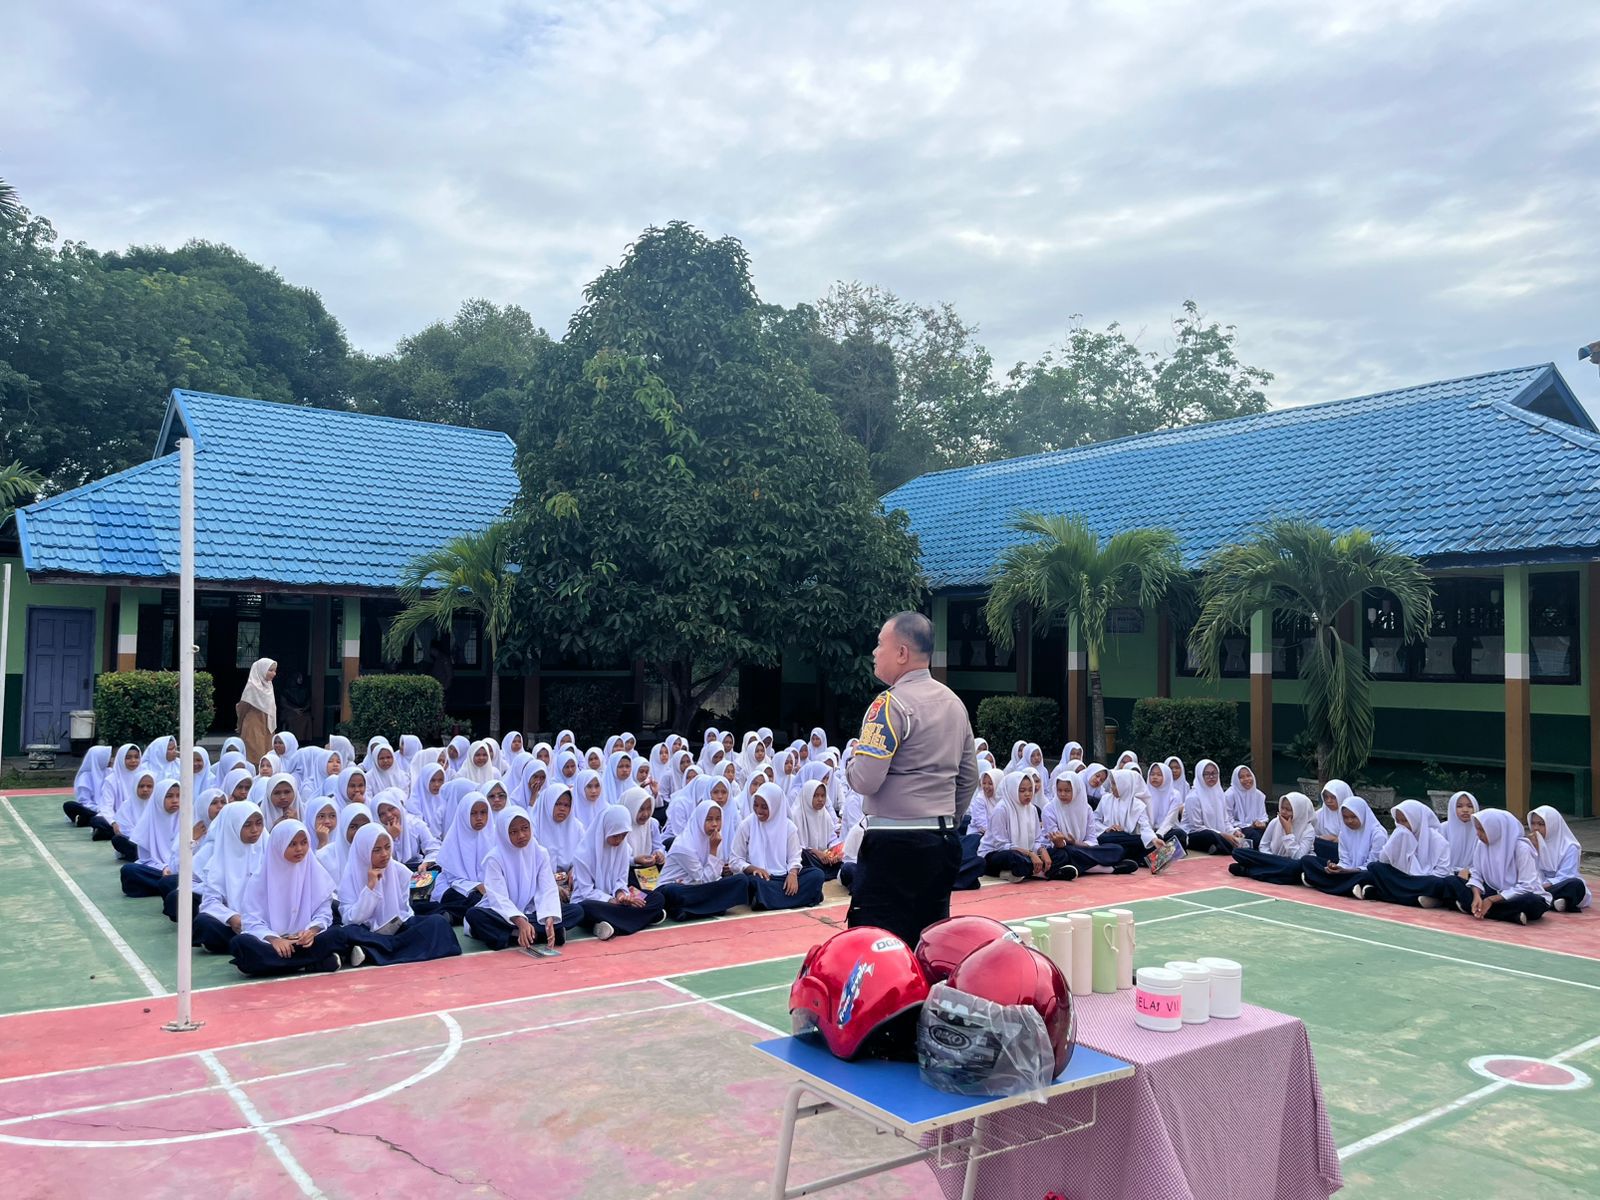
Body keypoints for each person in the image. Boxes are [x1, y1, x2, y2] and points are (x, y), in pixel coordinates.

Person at [844, 612, 976, 946]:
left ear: (902, 653)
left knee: (878, 945)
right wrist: (944, 818)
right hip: (940, 840)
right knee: (928, 941)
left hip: (894, 844)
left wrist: (852, 760)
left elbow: (865, 780)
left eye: (880, 644)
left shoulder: (889, 704)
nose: (874, 652)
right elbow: (969, 777)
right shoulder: (954, 703)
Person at [228, 820, 354, 975]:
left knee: (339, 934)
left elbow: (323, 913)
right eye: (292, 844)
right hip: (272, 944)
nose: (299, 849)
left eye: (304, 843)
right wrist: (275, 940)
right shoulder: (259, 880)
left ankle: (282, 965)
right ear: (279, 845)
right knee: (241, 943)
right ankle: (309, 964)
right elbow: (251, 921)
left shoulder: (315, 871)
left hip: (305, 941)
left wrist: (311, 931)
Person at [336, 825, 462, 966]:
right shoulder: (350, 877)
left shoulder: (399, 871)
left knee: (437, 922)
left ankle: (371, 951)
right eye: (377, 850)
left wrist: (397, 924)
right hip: (367, 931)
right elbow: (351, 919)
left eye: (387, 847)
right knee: (347, 933)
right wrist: (370, 887)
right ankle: (380, 949)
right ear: (363, 851)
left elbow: (405, 911)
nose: (384, 854)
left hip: (398, 930)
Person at [466, 809, 582, 949]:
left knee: (576, 911)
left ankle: (513, 935)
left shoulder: (540, 853)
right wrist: (520, 922)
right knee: (474, 915)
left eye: (525, 828)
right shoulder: (494, 858)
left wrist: (549, 917)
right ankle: (534, 934)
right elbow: (498, 898)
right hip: (502, 914)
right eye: (513, 832)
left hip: (532, 911)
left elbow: (547, 889)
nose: (521, 835)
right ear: (504, 834)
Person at [570, 804, 669, 938]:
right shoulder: (583, 854)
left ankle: (609, 924)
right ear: (605, 830)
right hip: (594, 901)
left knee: (657, 898)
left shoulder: (624, 849)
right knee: (584, 908)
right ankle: (643, 917)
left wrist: (621, 895)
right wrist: (612, 900)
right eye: (616, 835)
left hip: (618, 902)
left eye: (624, 835)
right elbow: (587, 891)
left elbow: (621, 880)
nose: (619, 840)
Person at [1438, 808, 1550, 924]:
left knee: (1533, 901)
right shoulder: (1481, 845)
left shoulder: (1521, 848)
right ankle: (1509, 915)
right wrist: (1476, 895)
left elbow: (1527, 886)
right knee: (1451, 881)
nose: (1478, 834)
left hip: (1517, 895)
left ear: (1495, 830)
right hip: (1493, 890)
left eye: (1482, 830)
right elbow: (1477, 874)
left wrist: (1491, 900)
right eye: (1477, 829)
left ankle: (1478, 909)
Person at [730, 783, 825, 909]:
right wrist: (753, 869)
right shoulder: (746, 825)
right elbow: (735, 860)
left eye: (764, 807)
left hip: (784, 877)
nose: (759, 810)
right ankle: (806, 896)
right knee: (752, 882)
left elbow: (795, 857)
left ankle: (767, 900)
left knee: (817, 875)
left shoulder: (789, 827)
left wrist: (793, 874)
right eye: (756, 805)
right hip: (762, 878)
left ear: (775, 806)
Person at [656, 798, 752, 921]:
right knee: (674, 891)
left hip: (698, 888)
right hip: (677, 889)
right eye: (709, 819)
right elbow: (703, 879)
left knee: (741, 880)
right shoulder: (683, 845)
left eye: (718, 819)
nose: (715, 824)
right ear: (699, 820)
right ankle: (712, 906)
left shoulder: (715, 840)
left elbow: (713, 878)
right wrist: (713, 850)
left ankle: (690, 910)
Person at [195, 803, 266, 954]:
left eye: (259, 823)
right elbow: (210, 901)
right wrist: (231, 917)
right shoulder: (218, 862)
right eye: (247, 825)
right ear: (233, 827)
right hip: (237, 923)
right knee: (203, 923)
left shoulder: (269, 851)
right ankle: (251, 944)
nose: (255, 830)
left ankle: (248, 943)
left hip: (266, 920)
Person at [1357, 799, 1454, 906]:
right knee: (1374, 867)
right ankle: (1414, 898)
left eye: (1405, 821)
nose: (1401, 825)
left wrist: (1416, 878)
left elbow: (1442, 872)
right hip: (1401, 878)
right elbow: (1383, 860)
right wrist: (1394, 841)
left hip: (1423, 880)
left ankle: (1385, 894)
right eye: (1398, 821)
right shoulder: (1399, 836)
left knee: (1438, 883)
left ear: (1416, 820)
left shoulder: (1439, 842)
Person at [1299, 795, 1387, 896]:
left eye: (1353, 817)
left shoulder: (1378, 834)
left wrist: (1346, 871)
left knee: (1368, 875)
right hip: (1347, 873)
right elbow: (1344, 860)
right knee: (1307, 860)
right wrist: (1336, 868)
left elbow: (1372, 865)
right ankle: (1351, 887)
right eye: (1345, 817)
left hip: (1362, 872)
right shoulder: (1344, 832)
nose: (1349, 821)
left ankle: (1319, 881)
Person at [1230, 793, 1316, 885]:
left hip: (1291, 864)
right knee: (1238, 852)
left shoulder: (1308, 830)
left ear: (1299, 811)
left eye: (1288, 810)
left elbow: (1298, 857)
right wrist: (1271, 858)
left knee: (1294, 867)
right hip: (1272, 859)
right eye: (1282, 808)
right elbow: (1263, 845)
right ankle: (1265, 869)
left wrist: (1288, 833)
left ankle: (1248, 871)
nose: (1283, 812)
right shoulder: (1275, 822)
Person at [1527, 806, 1591, 912]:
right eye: (1533, 823)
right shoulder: (1531, 843)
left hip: (1559, 885)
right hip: (1538, 886)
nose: (1535, 828)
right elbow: (1530, 872)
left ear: (1553, 824)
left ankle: (1546, 901)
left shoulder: (1569, 847)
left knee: (1576, 885)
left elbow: (1566, 875)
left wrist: (1541, 887)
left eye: (1541, 824)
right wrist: (1532, 850)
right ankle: (1556, 902)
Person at [236, 657, 278, 766]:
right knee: (254, 754)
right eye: (270, 670)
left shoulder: (269, 686)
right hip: (253, 725)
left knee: (267, 754)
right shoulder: (252, 687)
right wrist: (240, 724)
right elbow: (243, 708)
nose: (274, 674)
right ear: (261, 670)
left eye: (274, 671)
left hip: (267, 726)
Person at [1225, 766, 1269, 849]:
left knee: (1269, 834)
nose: (1246, 779)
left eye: (1248, 776)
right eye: (1241, 777)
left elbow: (1263, 816)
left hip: (1255, 828)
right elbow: (1227, 819)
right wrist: (1247, 826)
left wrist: (1261, 823)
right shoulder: (1230, 795)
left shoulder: (1259, 795)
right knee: (1255, 837)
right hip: (1237, 828)